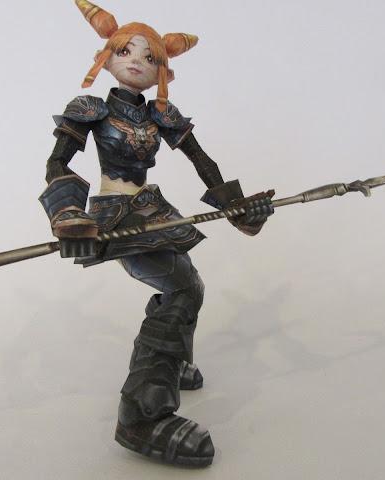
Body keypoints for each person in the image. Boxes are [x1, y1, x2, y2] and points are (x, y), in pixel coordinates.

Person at [38, 0, 274, 467]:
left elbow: (202, 160)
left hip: (151, 209)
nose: (136, 62)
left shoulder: (160, 115)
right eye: (125, 50)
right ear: (107, 56)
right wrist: (68, 215)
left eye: (150, 57)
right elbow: (57, 163)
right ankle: (141, 414)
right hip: (113, 217)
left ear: (162, 70)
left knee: (185, 283)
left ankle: (172, 361)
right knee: (184, 288)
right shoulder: (91, 109)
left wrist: (237, 207)